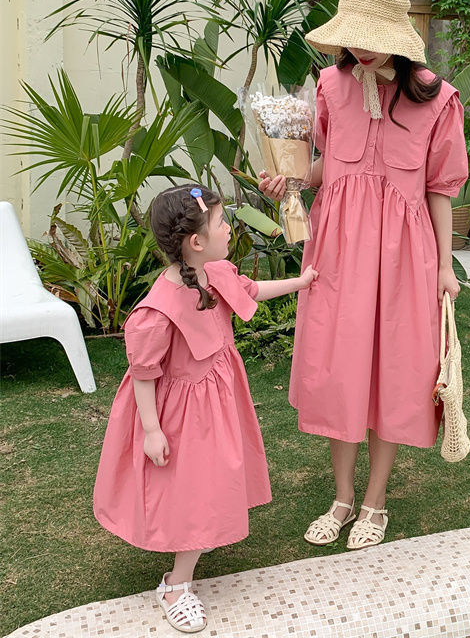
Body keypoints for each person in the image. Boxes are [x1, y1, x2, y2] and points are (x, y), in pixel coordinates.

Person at [259, 0, 468, 550]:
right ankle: (343, 496)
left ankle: (375, 502)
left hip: (405, 256)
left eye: (369, 34)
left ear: (398, 33)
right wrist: (291, 179)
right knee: (340, 370)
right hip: (340, 248)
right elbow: (330, 167)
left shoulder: (437, 97)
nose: (359, 46)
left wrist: (445, 268)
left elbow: (441, 189)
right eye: (352, 34)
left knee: (395, 374)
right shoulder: (328, 87)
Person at [93, 184, 317, 633]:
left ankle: (195, 545)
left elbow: (251, 288)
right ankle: (176, 585)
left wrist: (301, 282)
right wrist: (153, 430)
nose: (230, 228)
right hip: (181, 417)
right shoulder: (157, 311)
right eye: (221, 223)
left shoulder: (214, 272)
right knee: (189, 491)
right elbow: (143, 373)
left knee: (210, 482)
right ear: (196, 242)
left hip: (213, 404)